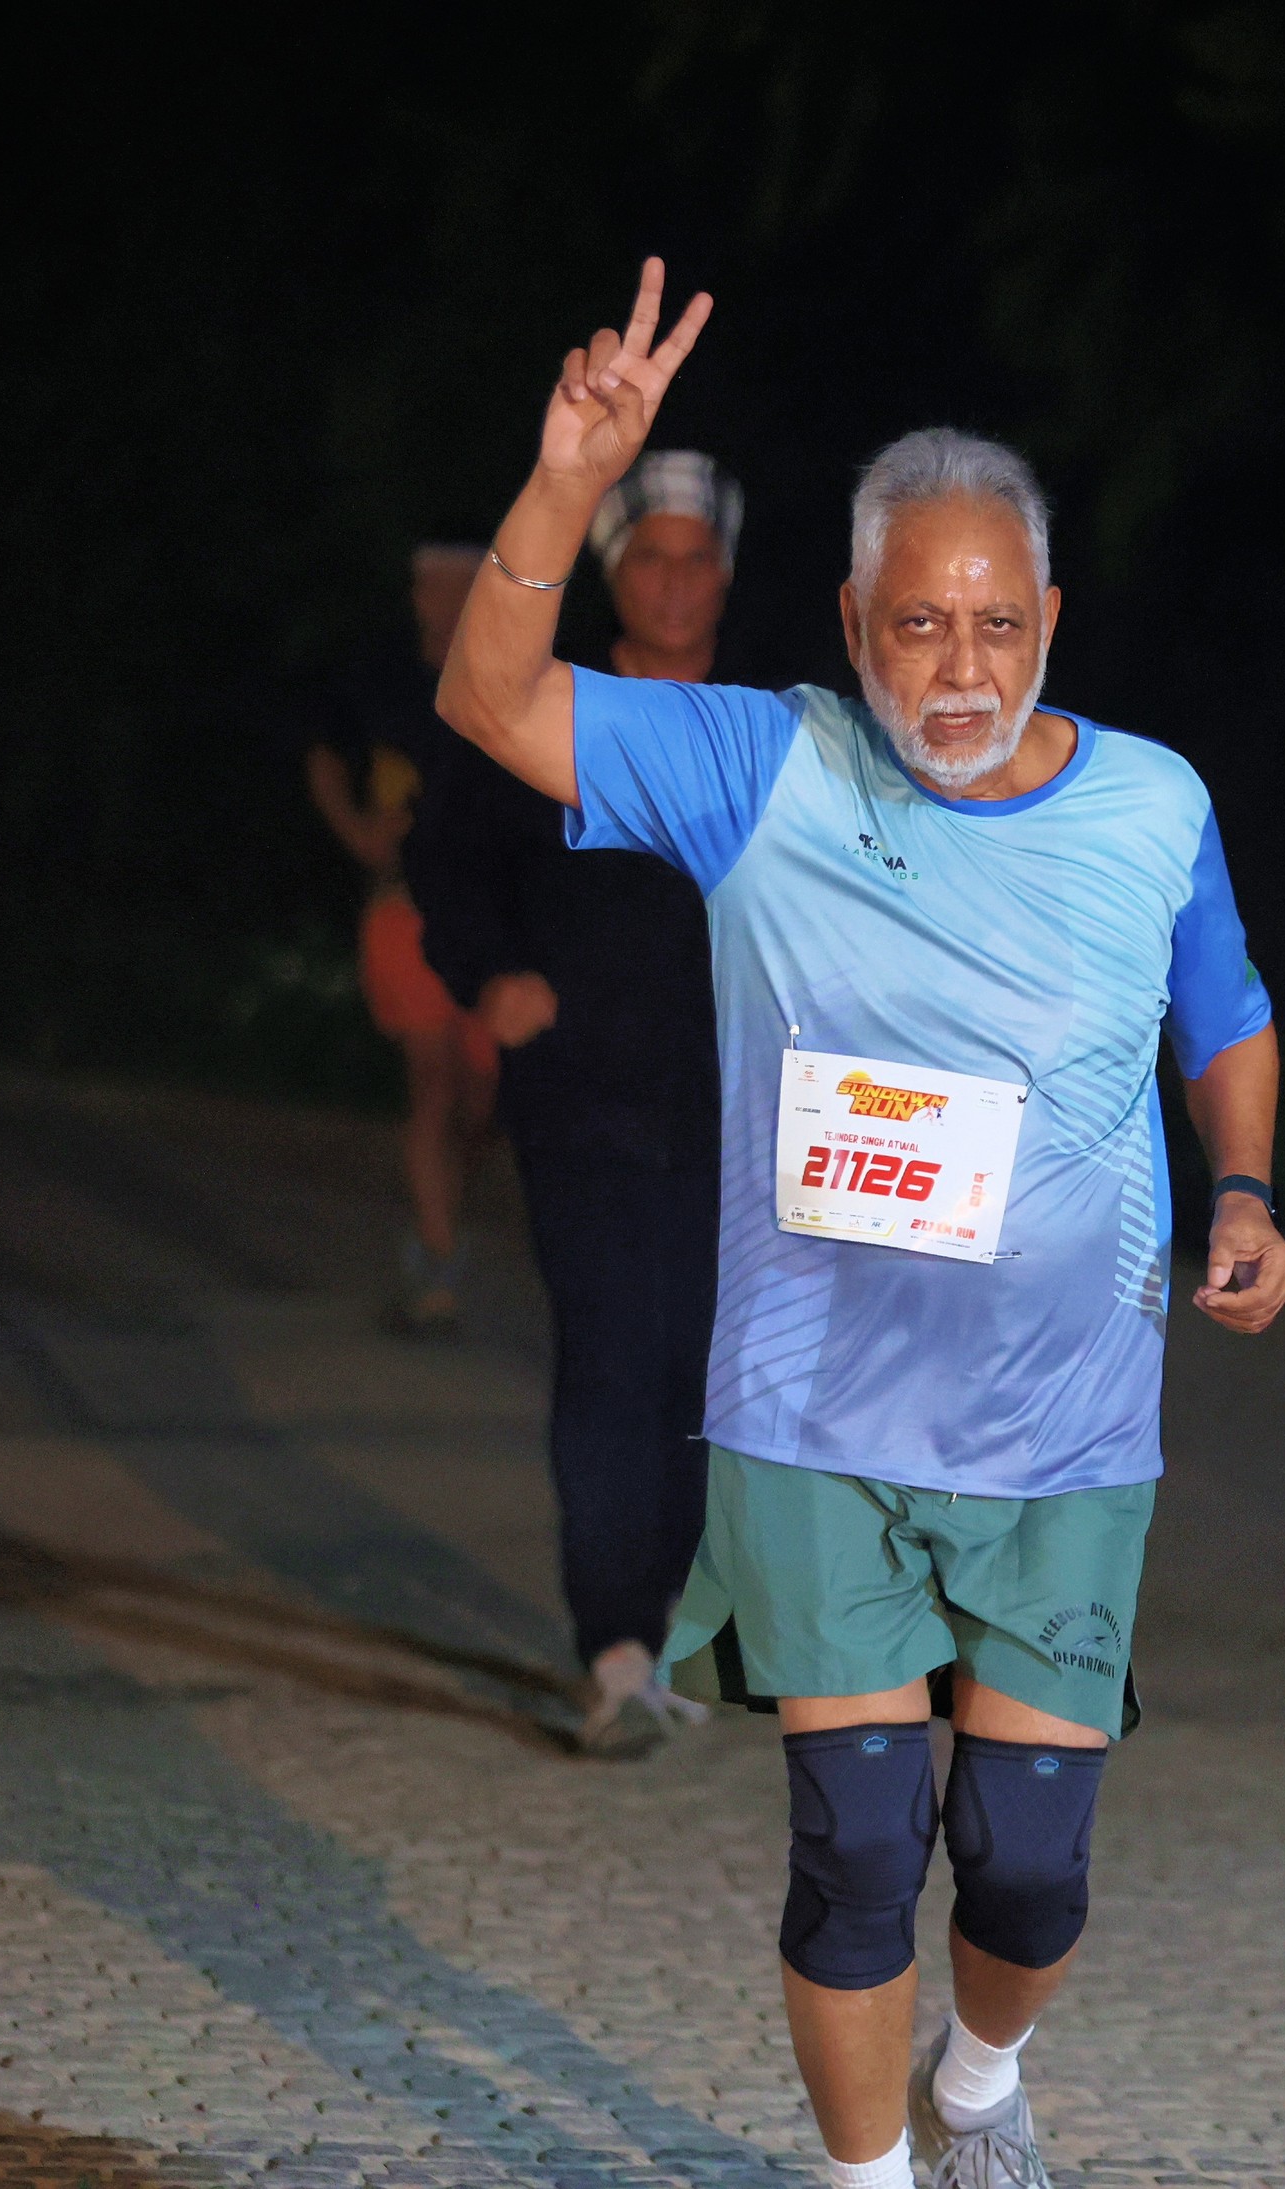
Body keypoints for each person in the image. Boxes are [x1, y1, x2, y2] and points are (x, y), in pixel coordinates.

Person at [434, 261, 1285, 2189]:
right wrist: (569, 477)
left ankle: (977, 2081)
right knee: (851, 1848)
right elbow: (485, 696)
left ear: (1051, 621)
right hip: (816, 1417)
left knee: (1028, 1867)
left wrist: (1242, 1184)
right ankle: (864, 2177)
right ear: (851, 624)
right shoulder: (762, 767)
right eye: (918, 622)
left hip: (1067, 1429)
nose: (960, 667)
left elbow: (1225, 1013)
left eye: (998, 622)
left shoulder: (1151, 806)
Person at [407, 452, 741, 1756]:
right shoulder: (545, 709)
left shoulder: (764, 727)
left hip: (733, 1108)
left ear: (724, 574)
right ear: (615, 572)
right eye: (650, 557)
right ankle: (613, 1649)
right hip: (583, 1095)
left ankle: (665, 1627)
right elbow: (446, 861)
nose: (674, 581)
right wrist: (490, 973)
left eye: (696, 557)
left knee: (705, 1374)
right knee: (610, 1352)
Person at [310, 545, 501, 1335]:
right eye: (438, 585)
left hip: (488, 918)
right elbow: (324, 754)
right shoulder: (382, 679)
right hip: (404, 909)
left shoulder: (506, 677)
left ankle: (437, 1221)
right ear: (418, 593)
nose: (450, 600)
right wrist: (358, 830)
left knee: (480, 1101)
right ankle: (436, 1262)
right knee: (432, 1079)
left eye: (466, 584)